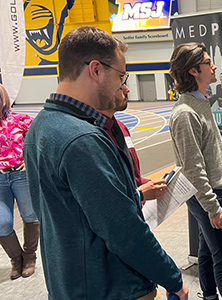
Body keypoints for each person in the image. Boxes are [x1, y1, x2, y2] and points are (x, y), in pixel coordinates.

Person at [22, 26, 188, 300]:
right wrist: (172, 278)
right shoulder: (82, 140)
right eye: (121, 75)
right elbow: (123, 230)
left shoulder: (41, 126)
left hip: (70, 284)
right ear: (96, 70)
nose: (123, 84)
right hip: (110, 287)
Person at [169, 42, 222, 300]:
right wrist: (214, 208)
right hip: (208, 196)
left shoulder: (200, 104)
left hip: (212, 192)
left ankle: (208, 296)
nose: (214, 66)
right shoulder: (185, 113)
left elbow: (206, 153)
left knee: (207, 252)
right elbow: (193, 168)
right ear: (194, 70)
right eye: (209, 62)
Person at [97, 76, 168, 203]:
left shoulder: (121, 128)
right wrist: (139, 195)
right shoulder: (92, 137)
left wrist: (152, 184)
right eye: (121, 83)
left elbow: (133, 177)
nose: (128, 89)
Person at [0, 84, 40, 280]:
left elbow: (40, 140)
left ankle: (30, 257)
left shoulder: (20, 120)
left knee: (31, 216)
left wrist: (29, 160)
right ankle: (16, 259)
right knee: (2, 222)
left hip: (21, 175)